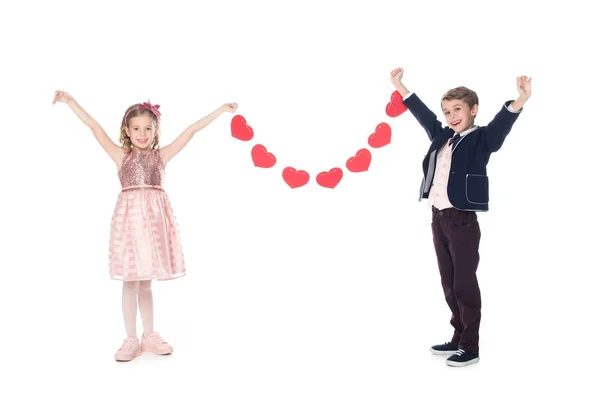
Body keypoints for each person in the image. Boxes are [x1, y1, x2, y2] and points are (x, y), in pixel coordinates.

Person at [52, 91, 238, 361]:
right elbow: (93, 124)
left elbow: (192, 130)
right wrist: (71, 102)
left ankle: (148, 336)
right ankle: (130, 338)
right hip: (130, 224)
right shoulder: (120, 156)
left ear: (155, 130)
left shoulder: (161, 156)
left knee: (147, 283)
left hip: (152, 224)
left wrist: (220, 110)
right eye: (136, 128)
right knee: (130, 282)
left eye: (148, 128)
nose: (142, 133)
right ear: (127, 130)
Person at [389, 68, 531, 367]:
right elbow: (424, 115)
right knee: (449, 282)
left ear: (473, 110)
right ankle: (457, 336)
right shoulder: (442, 136)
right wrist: (400, 86)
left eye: (457, 109)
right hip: (438, 218)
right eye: (447, 111)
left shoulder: (482, 140)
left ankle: (471, 346)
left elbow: (501, 125)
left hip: (462, 220)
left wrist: (519, 99)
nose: (451, 115)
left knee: (465, 283)